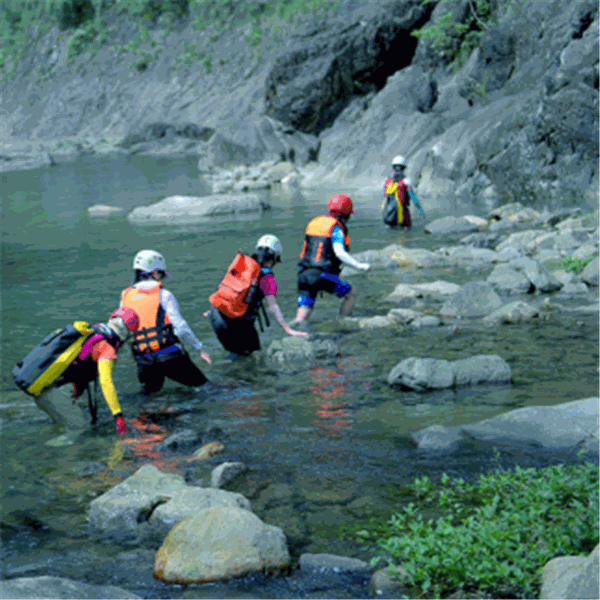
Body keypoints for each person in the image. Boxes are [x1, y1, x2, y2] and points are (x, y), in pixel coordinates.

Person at [29, 307, 141, 435]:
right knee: (79, 431)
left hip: (42, 389)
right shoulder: (107, 347)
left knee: (63, 428)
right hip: (56, 396)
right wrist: (118, 416)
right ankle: (48, 453)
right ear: (126, 333)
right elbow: (106, 382)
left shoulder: (93, 331)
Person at [120, 250, 211, 394]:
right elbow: (181, 328)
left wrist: (134, 352)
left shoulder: (125, 297)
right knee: (207, 389)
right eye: (161, 274)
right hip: (170, 357)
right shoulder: (164, 295)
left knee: (150, 395)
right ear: (155, 273)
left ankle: (144, 415)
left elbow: (123, 330)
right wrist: (199, 348)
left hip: (144, 361)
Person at [208, 234, 308, 359]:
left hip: (215, 314)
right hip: (235, 324)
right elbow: (272, 307)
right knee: (249, 356)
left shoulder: (243, 264)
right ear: (275, 257)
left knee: (241, 356)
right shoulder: (267, 277)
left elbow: (225, 287)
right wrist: (287, 328)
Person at [295, 194, 371, 323]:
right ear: (346, 214)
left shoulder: (314, 223)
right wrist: (359, 266)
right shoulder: (336, 229)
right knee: (351, 294)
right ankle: (343, 323)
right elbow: (340, 253)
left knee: (301, 317)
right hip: (321, 276)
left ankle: (292, 331)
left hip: (304, 275)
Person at [382, 155, 425, 229]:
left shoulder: (387, 181)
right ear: (404, 167)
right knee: (406, 234)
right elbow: (414, 198)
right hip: (404, 216)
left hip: (390, 215)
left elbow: (385, 198)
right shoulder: (406, 181)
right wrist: (421, 212)